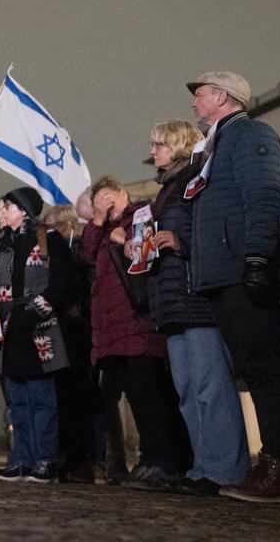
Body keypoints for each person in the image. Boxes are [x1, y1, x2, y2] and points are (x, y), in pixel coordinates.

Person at [186, 70, 280, 503]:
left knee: (266, 370)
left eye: (200, 94)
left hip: (242, 270)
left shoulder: (252, 134)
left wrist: (256, 256)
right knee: (255, 370)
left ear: (222, 96)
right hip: (223, 273)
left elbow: (265, 195)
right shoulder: (212, 147)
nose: (194, 103)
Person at [141, 121, 250, 496]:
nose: (153, 151)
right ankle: (203, 466)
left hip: (196, 300)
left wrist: (179, 240)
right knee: (188, 389)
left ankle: (226, 469)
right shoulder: (167, 190)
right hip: (171, 301)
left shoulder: (195, 182)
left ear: (180, 145)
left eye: (160, 144)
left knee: (210, 385)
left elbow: (212, 231)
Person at [80, 176, 190, 492]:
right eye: (97, 200)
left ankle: (163, 460)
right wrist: (98, 223)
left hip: (138, 322)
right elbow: (86, 255)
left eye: (107, 197)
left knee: (150, 395)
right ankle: (151, 459)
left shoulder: (141, 215)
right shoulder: (100, 232)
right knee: (135, 395)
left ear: (123, 194)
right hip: (113, 330)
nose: (103, 204)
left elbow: (145, 254)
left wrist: (122, 241)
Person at [0, 187, 70, 483]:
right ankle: (21, 458)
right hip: (11, 330)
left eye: (7, 206)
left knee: (41, 398)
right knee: (17, 399)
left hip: (39, 329)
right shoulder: (2, 248)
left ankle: (46, 459)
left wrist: (39, 307)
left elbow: (62, 281)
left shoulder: (48, 240)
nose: (2, 212)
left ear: (24, 210)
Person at [40, 203, 98, 483]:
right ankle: (67, 456)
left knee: (78, 398)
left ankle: (82, 459)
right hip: (65, 330)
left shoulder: (75, 252)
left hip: (78, 331)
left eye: (51, 227)